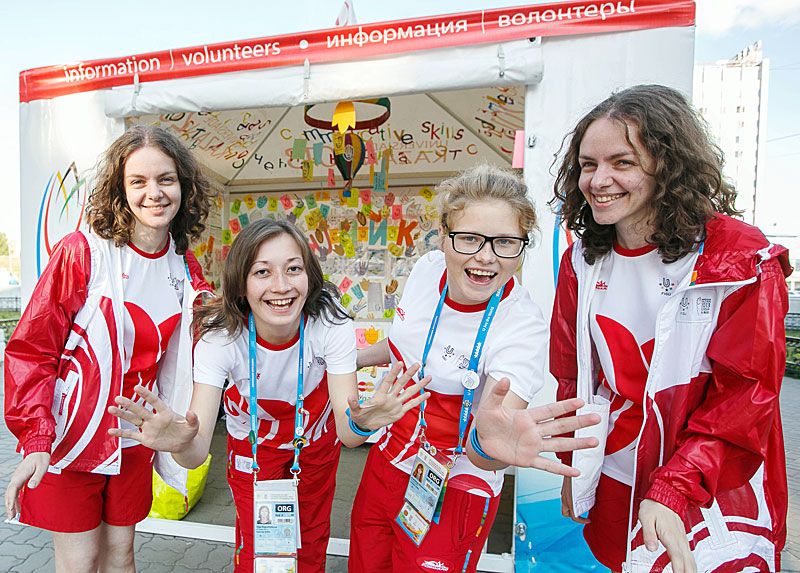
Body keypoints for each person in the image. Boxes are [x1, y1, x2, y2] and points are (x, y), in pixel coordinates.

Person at [549, 84, 791, 573]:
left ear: (668, 164)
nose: (599, 180)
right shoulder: (582, 259)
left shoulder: (738, 258)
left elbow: (746, 398)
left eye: (623, 162)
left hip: (709, 483)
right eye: (588, 165)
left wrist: (674, 485)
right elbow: (575, 377)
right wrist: (575, 467)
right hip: (618, 477)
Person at [108, 218, 430, 573]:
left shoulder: (330, 322)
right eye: (262, 272)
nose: (281, 286)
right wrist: (180, 443)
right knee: (258, 541)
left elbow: (347, 432)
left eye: (293, 269)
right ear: (241, 285)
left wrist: (363, 423)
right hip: (251, 444)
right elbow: (197, 450)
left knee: (310, 533)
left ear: (309, 276)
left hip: (315, 442)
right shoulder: (221, 337)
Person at [351, 164, 600, 573]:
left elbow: (495, 433)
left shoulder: (522, 326)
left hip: (457, 479)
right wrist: (346, 359)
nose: (485, 258)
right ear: (443, 237)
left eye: (505, 242)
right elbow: (404, 344)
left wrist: (488, 449)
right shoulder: (426, 269)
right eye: (469, 239)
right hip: (387, 461)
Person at [3, 125, 214, 573]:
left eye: (166, 179)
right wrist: (36, 437)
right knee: (81, 561)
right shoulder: (82, 253)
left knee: (121, 557)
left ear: (184, 186)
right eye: (138, 181)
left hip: (134, 438)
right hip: (70, 440)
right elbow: (31, 350)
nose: (154, 193)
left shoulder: (185, 265)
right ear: (120, 190)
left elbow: (205, 345)